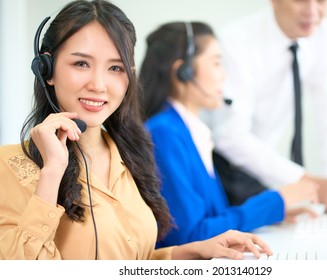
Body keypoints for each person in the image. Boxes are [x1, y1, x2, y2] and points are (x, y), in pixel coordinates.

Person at [0, 0, 273, 260]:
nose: (99, 84)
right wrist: (51, 173)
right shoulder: (8, 167)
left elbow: (131, 262)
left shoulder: (130, 154)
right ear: (46, 69)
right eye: (81, 63)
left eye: (115, 68)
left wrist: (195, 251)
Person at [140, 21, 319, 247]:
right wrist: (276, 201)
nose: (224, 76)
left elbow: (214, 218)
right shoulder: (164, 133)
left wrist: (276, 214)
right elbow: (191, 236)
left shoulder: (189, 131)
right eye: (216, 63)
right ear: (183, 72)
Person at [205, 0, 327, 219]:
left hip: (261, 170)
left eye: (321, 1)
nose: (312, 11)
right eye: (301, 0)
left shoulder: (322, 34)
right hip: (218, 166)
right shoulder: (237, 40)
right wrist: (310, 184)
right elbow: (231, 136)